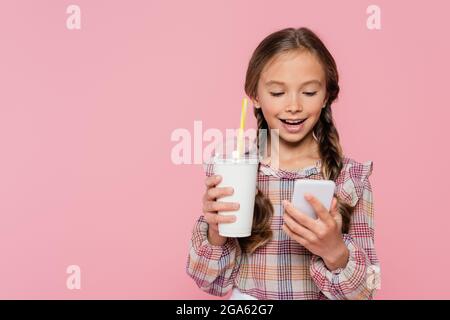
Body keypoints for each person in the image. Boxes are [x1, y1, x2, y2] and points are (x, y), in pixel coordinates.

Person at [186, 27, 380, 300]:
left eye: (309, 92)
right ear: (255, 95)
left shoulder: (350, 178)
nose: (293, 106)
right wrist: (216, 231)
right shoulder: (235, 172)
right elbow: (209, 281)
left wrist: (334, 251)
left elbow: (366, 291)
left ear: (326, 96)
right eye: (277, 93)